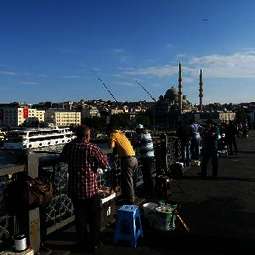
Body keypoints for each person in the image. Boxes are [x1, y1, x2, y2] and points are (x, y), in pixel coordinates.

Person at [61, 125, 108, 252]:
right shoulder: (92, 148)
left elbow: (63, 158)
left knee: (79, 217)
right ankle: (94, 243)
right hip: (91, 190)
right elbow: (104, 163)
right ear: (87, 136)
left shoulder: (69, 146)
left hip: (75, 189)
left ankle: (81, 242)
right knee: (94, 218)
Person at [107, 126, 138, 204]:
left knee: (128, 180)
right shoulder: (121, 134)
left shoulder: (113, 134)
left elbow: (111, 146)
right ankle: (127, 195)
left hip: (127, 160)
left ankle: (131, 199)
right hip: (134, 158)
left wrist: (109, 138)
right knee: (130, 179)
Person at [135, 124, 155, 197]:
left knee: (146, 174)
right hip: (151, 156)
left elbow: (136, 144)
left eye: (137, 130)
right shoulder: (148, 134)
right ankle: (150, 189)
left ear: (139, 130)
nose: (136, 132)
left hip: (146, 157)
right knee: (148, 173)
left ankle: (149, 190)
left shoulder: (141, 135)